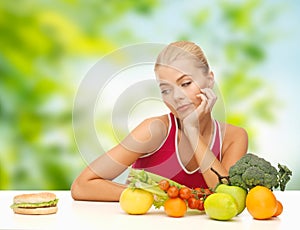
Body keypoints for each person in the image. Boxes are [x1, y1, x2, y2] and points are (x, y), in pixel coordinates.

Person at [71, 41, 248, 201]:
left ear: (210, 79)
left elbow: (228, 198)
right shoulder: (153, 131)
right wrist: (152, 195)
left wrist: (192, 132)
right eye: (166, 90)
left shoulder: (233, 138)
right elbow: (82, 185)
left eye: (186, 83)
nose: (177, 97)